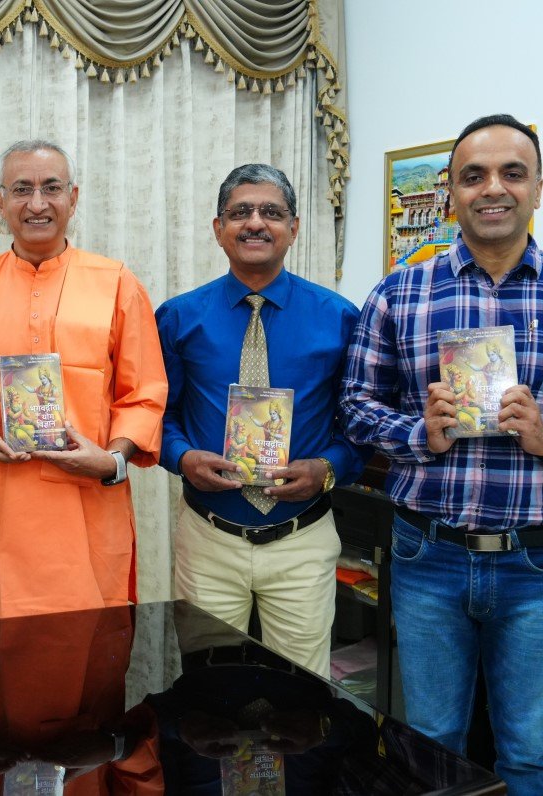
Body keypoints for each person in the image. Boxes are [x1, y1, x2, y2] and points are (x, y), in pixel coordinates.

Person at [340, 114, 543, 794]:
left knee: (531, 757)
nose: (493, 188)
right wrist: (417, 434)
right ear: (450, 191)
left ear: (538, 188)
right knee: (430, 746)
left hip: (542, 562)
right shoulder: (398, 293)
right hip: (428, 555)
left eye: (513, 173)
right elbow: (356, 409)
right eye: (473, 175)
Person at [0, 139, 167, 620]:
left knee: (90, 653)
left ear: (72, 198)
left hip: (88, 511)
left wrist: (112, 461)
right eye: (22, 189)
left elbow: (143, 394)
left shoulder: (117, 283)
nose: (37, 203)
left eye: (51, 188)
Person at [155, 163, 366, 675]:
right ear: (218, 228)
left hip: (302, 539)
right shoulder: (178, 317)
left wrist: (328, 468)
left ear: (293, 228)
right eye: (240, 212)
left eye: (271, 212)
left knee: (303, 692)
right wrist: (182, 458)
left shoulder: (341, 318)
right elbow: (157, 416)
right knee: (209, 689)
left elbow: (362, 424)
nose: (255, 222)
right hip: (209, 538)